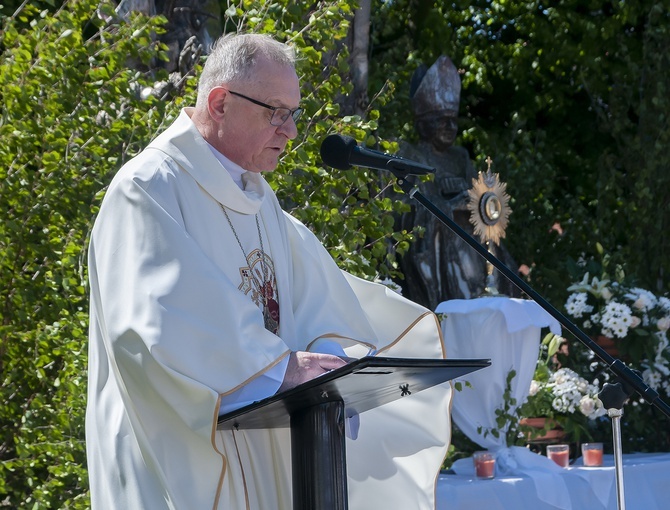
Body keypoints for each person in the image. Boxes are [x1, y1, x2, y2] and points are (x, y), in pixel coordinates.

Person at [86, 33, 452, 510]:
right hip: (179, 449)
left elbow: (316, 298)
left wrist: (335, 360)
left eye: (292, 114)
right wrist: (279, 368)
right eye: (276, 112)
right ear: (220, 103)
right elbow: (165, 320)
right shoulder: (148, 188)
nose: (291, 132)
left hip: (262, 444)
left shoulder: (260, 200)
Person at [397, 55, 518, 310]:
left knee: (496, 250)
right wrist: (449, 206)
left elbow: (477, 194)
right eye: (442, 121)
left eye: (453, 120)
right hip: (437, 241)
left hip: (470, 234)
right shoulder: (411, 154)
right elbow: (413, 205)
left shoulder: (460, 157)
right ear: (423, 124)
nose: (450, 127)